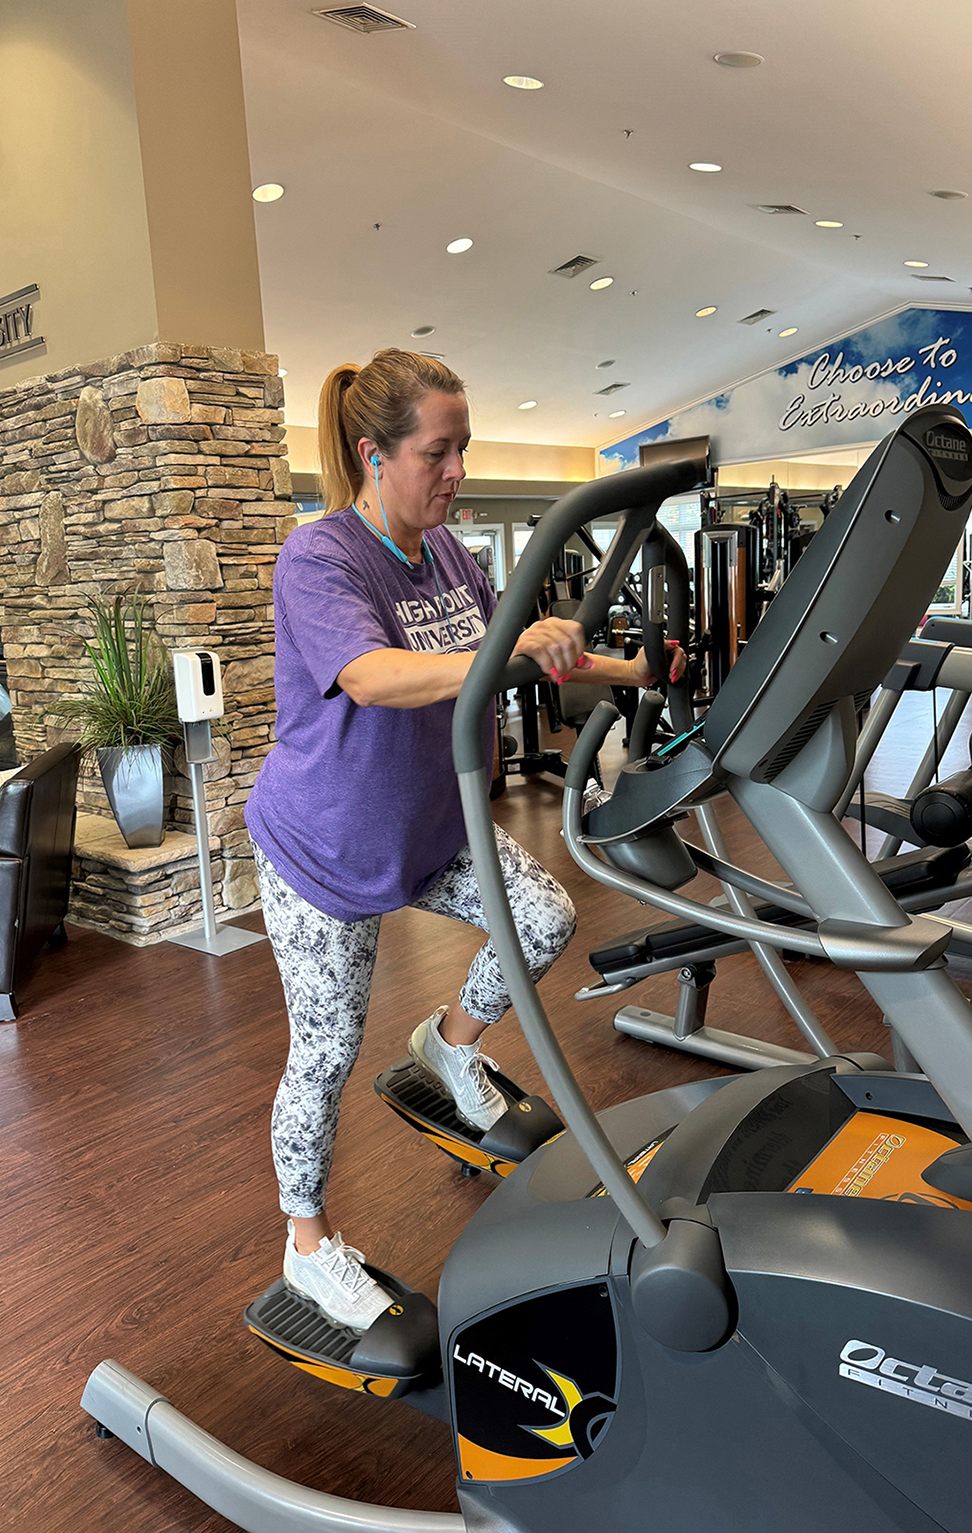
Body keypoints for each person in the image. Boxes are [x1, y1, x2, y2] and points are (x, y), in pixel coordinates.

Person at [245, 349, 684, 1331]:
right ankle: (306, 1246)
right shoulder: (320, 556)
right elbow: (371, 676)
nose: (456, 472)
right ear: (375, 454)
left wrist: (633, 670)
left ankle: (449, 1050)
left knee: (542, 919)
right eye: (437, 453)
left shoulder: (449, 555)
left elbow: (513, 658)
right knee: (323, 1053)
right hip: (321, 850)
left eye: (463, 450)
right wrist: (505, 646)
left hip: (433, 828)